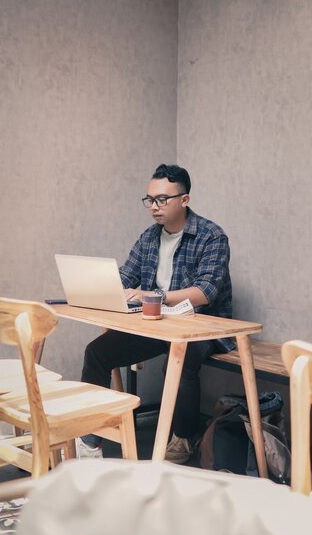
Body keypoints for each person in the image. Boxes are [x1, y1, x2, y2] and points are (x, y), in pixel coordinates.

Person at [77, 163, 234, 464]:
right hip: (158, 323)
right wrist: (97, 289)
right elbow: (125, 276)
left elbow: (205, 292)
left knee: (180, 359)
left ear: (184, 200)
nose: (153, 207)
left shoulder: (212, 236)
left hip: (202, 326)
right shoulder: (150, 237)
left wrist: (154, 296)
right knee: (96, 353)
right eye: (149, 199)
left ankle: (184, 436)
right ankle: (90, 438)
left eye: (162, 199)